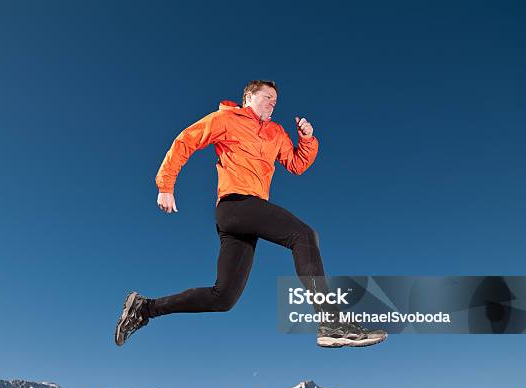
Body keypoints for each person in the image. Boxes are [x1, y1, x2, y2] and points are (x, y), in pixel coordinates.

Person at [115, 80, 387, 348]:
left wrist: (306, 139)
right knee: (303, 235)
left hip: (248, 217)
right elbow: (186, 141)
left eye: (275, 100)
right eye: (267, 97)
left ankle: (144, 309)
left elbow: (296, 164)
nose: (272, 103)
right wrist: (166, 185)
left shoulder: (276, 132)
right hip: (235, 205)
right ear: (248, 97)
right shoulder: (226, 119)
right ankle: (332, 321)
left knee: (223, 298)